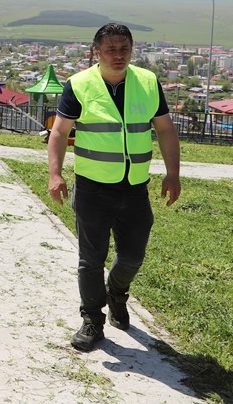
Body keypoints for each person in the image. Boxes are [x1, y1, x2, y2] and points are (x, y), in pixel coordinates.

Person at [47, 22, 181, 352]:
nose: (118, 55)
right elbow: (60, 132)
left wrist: (173, 174)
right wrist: (55, 174)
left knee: (133, 256)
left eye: (124, 49)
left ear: (132, 51)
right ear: (97, 52)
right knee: (91, 259)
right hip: (93, 188)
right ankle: (93, 320)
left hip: (134, 187)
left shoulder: (147, 82)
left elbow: (165, 130)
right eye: (110, 50)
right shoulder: (79, 84)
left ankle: (117, 293)